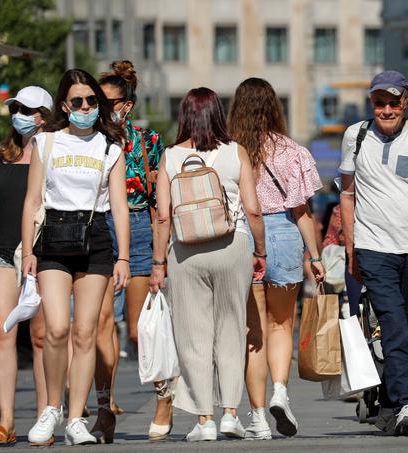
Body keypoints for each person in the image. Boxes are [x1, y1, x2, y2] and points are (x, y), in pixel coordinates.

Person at [149, 87, 266, 442]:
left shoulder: (169, 157)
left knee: (193, 336)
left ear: (184, 115)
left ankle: (205, 420)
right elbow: (253, 208)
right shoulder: (236, 152)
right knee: (232, 330)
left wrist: (158, 263)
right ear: (219, 114)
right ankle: (231, 414)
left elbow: (164, 216)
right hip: (232, 245)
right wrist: (260, 250)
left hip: (186, 251)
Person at [21, 69, 129, 446]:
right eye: (78, 101)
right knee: (56, 328)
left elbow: (119, 206)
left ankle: (76, 418)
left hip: (95, 236)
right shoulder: (46, 143)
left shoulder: (109, 147)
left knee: (85, 332)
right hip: (52, 237)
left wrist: (124, 258)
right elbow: (33, 200)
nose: (85, 107)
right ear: (65, 105)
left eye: (92, 101)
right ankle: (52, 407)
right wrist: (28, 253)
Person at [339, 70, 408, 437]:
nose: (386, 109)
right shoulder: (356, 136)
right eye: (379, 102)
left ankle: (388, 405)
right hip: (373, 248)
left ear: (406, 102)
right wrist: (351, 248)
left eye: (392, 102)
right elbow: (347, 195)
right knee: (395, 327)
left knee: (406, 322)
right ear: (371, 103)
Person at [227, 77, 324, 439]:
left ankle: (256, 418)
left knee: (255, 332)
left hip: (245, 237)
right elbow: (302, 211)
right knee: (282, 324)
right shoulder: (292, 151)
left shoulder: (231, 151)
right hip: (284, 234)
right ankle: (280, 392)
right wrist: (314, 257)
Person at [92, 60, 166, 443]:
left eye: (107, 102)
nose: (100, 109)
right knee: (101, 322)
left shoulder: (149, 143)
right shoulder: (87, 141)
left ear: (127, 104)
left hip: (138, 228)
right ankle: (104, 410)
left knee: (139, 329)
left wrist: (159, 254)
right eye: (94, 102)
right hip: (98, 229)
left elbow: (160, 202)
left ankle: (162, 397)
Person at [0, 86, 52, 445]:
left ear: (44, 116)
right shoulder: (2, 153)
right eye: (15, 107)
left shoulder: (55, 152)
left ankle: (43, 418)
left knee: (41, 338)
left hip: (43, 253)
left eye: (26, 108)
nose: (18, 113)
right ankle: (5, 420)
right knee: (3, 334)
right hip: (2, 252)